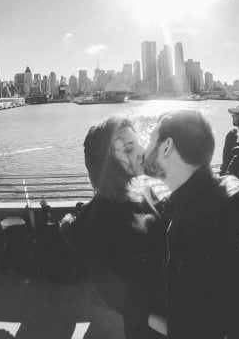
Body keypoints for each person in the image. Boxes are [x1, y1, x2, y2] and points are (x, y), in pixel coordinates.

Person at [143, 109, 239, 339]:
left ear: (166, 147)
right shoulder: (178, 206)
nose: (144, 148)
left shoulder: (234, 209)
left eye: (149, 140)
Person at [55, 116, 166, 339]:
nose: (141, 151)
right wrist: (175, 327)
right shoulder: (97, 221)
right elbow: (116, 295)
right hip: (155, 329)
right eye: (128, 148)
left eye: (136, 143)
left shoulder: (146, 193)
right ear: (107, 163)